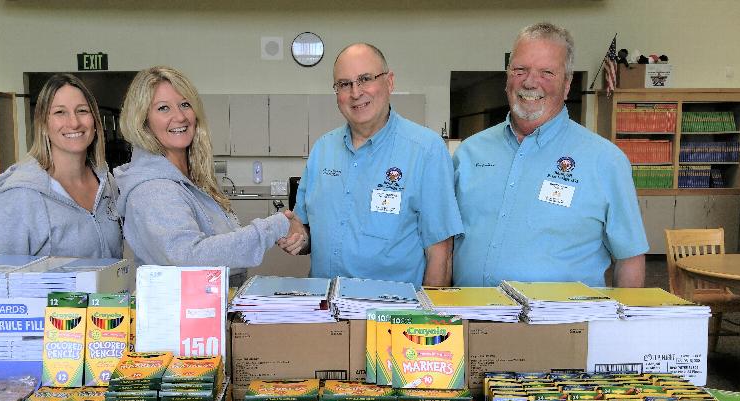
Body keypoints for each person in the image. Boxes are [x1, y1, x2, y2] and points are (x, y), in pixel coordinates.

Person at [452, 23, 648, 287]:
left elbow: (630, 259)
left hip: (563, 325)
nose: (530, 82)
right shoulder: (468, 153)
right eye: (520, 70)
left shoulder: (606, 161)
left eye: (547, 73)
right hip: (469, 318)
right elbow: (444, 242)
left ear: (567, 85)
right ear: (508, 76)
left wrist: (622, 326)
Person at [280, 43, 463, 286]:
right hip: (325, 308)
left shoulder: (425, 150)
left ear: (389, 82)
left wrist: (427, 320)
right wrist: (298, 237)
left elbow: (440, 251)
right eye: (344, 84)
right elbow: (306, 231)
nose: (356, 93)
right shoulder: (323, 149)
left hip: (392, 314)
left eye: (365, 79)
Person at [114, 66, 302, 287]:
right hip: (183, 317)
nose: (180, 116)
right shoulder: (153, 189)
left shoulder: (189, 180)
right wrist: (274, 227)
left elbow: (215, 245)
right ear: (142, 120)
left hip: (205, 311)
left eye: (185, 104)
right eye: (163, 108)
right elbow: (189, 259)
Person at [0, 73, 122, 258]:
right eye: (59, 112)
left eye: (82, 111)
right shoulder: (18, 196)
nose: (74, 122)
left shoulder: (107, 183)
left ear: (94, 121)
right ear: (44, 125)